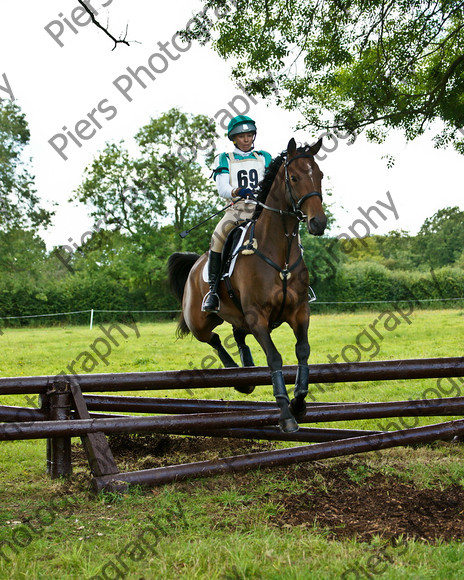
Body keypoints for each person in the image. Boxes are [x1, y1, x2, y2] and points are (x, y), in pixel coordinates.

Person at [202, 115, 272, 312]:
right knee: (218, 237)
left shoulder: (264, 157)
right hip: (238, 210)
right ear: (234, 138)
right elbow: (222, 188)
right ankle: (213, 291)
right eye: (242, 136)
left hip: (262, 210)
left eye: (250, 135)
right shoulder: (224, 158)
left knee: (290, 231)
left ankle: (298, 283)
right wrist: (238, 191)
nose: (247, 139)